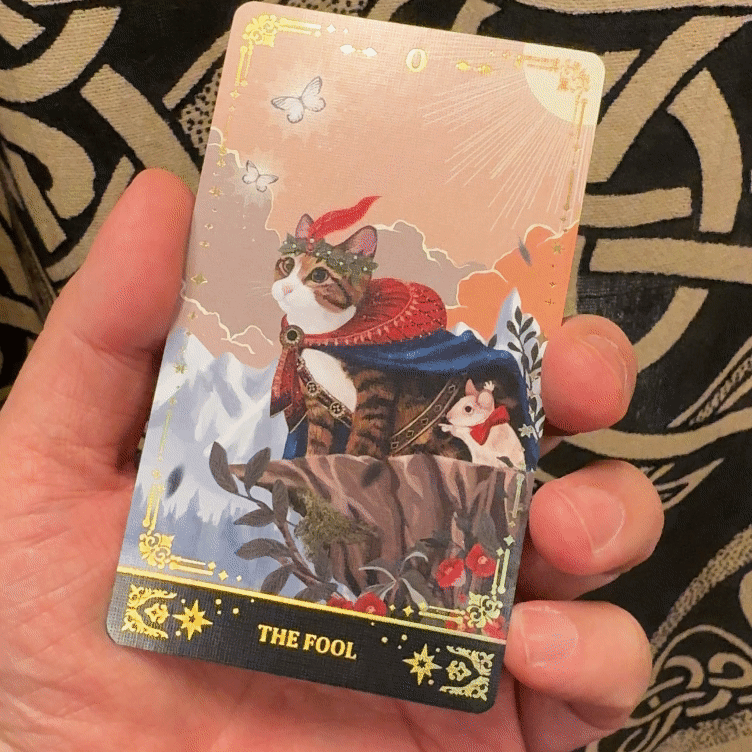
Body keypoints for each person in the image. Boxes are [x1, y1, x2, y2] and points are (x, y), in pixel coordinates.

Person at [0, 170, 663, 752]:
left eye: (315, 276)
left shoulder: (371, 345)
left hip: (416, 461)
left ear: (356, 280)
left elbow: (373, 421)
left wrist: (360, 480)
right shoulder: (310, 349)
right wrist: (313, 480)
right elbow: (322, 424)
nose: (295, 285)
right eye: (289, 270)